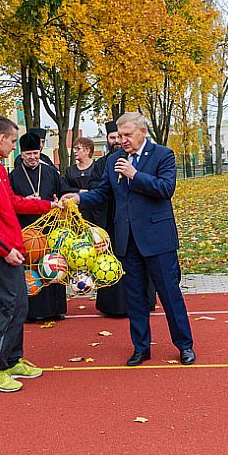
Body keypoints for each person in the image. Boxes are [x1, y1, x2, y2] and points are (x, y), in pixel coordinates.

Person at [62, 112, 195, 366]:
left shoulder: (163, 155)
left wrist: (135, 174)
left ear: (142, 132)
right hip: (127, 240)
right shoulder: (114, 160)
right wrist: (78, 198)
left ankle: (184, 345)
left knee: (169, 294)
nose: (122, 140)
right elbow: (102, 193)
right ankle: (141, 347)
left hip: (157, 239)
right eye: (120, 136)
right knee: (133, 297)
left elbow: (166, 189)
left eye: (127, 135)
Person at [0, 116, 59, 392]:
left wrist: (45, 206)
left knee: (19, 304)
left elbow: (11, 203)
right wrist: (4, 250)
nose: (15, 147)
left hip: (10, 247)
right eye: (14, 141)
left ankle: (12, 359)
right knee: (12, 305)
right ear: (1, 138)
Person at [89, 122, 156, 318]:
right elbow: (99, 187)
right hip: (113, 221)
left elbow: (162, 187)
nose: (118, 141)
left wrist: (132, 175)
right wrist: (79, 197)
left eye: (122, 136)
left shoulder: (151, 157)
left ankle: (147, 301)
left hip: (141, 224)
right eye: (113, 138)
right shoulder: (106, 163)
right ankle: (115, 306)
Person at [9, 131, 67, 321]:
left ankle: (54, 309)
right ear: (21, 154)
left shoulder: (50, 172)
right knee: (30, 267)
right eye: (28, 154)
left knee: (51, 264)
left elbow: (61, 195)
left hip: (49, 227)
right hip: (25, 228)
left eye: (35, 153)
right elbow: (9, 203)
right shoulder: (14, 175)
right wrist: (25, 201)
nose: (33, 157)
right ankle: (31, 311)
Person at [61, 137, 102, 223]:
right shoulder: (70, 170)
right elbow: (65, 188)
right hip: (75, 213)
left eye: (78, 148)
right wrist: (79, 191)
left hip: (95, 212)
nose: (75, 151)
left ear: (87, 150)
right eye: (74, 149)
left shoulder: (98, 168)